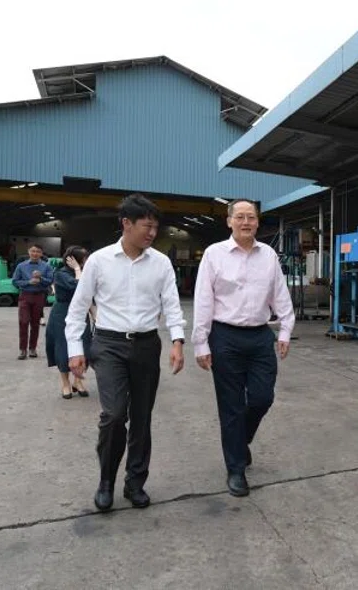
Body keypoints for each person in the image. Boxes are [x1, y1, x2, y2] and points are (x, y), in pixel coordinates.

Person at [65, 194, 186, 512]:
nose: (151, 233)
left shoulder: (160, 263)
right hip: (108, 344)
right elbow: (77, 309)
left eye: (155, 227)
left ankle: (135, 483)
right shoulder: (100, 261)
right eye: (147, 226)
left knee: (142, 418)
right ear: (126, 224)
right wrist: (75, 350)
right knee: (115, 414)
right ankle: (106, 480)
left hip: (146, 345)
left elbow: (172, 304)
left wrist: (177, 341)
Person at [192, 198, 295, 497]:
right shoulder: (214, 254)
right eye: (240, 217)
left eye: (251, 217)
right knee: (231, 406)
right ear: (229, 221)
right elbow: (203, 299)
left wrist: (286, 329)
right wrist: (201, 341)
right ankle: (236, 468)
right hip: (224, 337)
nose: (246, 222)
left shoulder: (269, 255)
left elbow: (280, 293)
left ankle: (240, 441)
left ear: (258, 222)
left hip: (260, 336)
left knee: (262, 398)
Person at [46, 245, 93, 399]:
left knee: (84, 346)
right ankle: (66, 383)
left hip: (81, 313)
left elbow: (89, 295)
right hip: (63, 313)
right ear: (73, 259)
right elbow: (80, 288)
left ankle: (78, 381)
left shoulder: (86, 273)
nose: (87, 261)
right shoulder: (61, 274)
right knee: (63, 348)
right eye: (84, 259)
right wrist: (78, 271)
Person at [12, 244, 54, 360]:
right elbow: (15, 281)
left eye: (38, 251)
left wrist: (41, 278)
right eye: (33, 251)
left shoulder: (46, 267)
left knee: (35, 323)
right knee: (24, 322)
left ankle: (32, 348)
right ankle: (22, 349)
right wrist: (28, 282)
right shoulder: (21, 266)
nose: (35, 253)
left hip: (39, 296)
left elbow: (50, 281)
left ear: (41, 253)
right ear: (28, 252)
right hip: (25, 296)